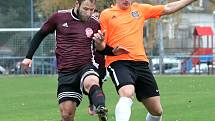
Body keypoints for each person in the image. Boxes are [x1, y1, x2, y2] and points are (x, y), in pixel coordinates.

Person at [93, 0, 197, 121]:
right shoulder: (106, 14)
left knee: (157, 112)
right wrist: (100, 43)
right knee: (127, 92)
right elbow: (101, 47)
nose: (127, 0)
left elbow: (168, 8)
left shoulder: (140, 9)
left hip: (141, 64)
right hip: (119, 62)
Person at [21, 0, 112, 120]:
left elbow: (100, 48)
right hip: (66, 72)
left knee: (91, 81)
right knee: (66, 114)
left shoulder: (95, 24)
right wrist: (28, 57)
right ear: (77, 4)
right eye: (85, 9)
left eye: (92, 10)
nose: (89, 13)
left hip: (86, 66)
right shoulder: (59, 17)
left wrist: (113, 50)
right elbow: (40, 34)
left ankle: (101, 108)